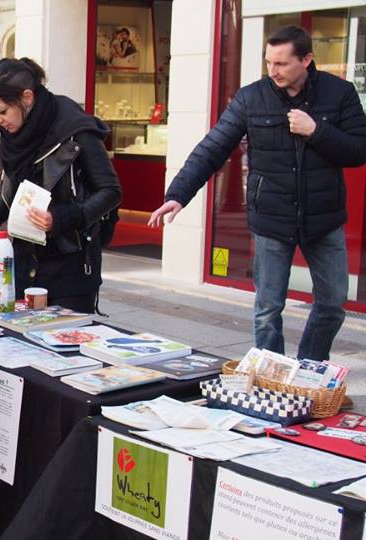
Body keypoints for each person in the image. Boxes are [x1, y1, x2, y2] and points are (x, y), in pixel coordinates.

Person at [147, 25, 366, 361]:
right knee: (268, 309)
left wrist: (316, 130)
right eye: (268, 62)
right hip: (271, 218)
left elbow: (358, 150)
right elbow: (213, 148)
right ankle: (271, 374)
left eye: (281, 64)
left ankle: (308, 368)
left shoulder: (340, 93)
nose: (272, 71)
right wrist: (177, 194)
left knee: (333, 302)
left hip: (324, 218)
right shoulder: (252, 98)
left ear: (306, 59)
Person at [0, 58, 122, 314]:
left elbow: (110, 191)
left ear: (27, 98)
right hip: (21, 264)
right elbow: (9, 200)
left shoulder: (74, 128)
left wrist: (60, 218)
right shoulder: (8, 136)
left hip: (69, 268)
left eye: (2, 111)